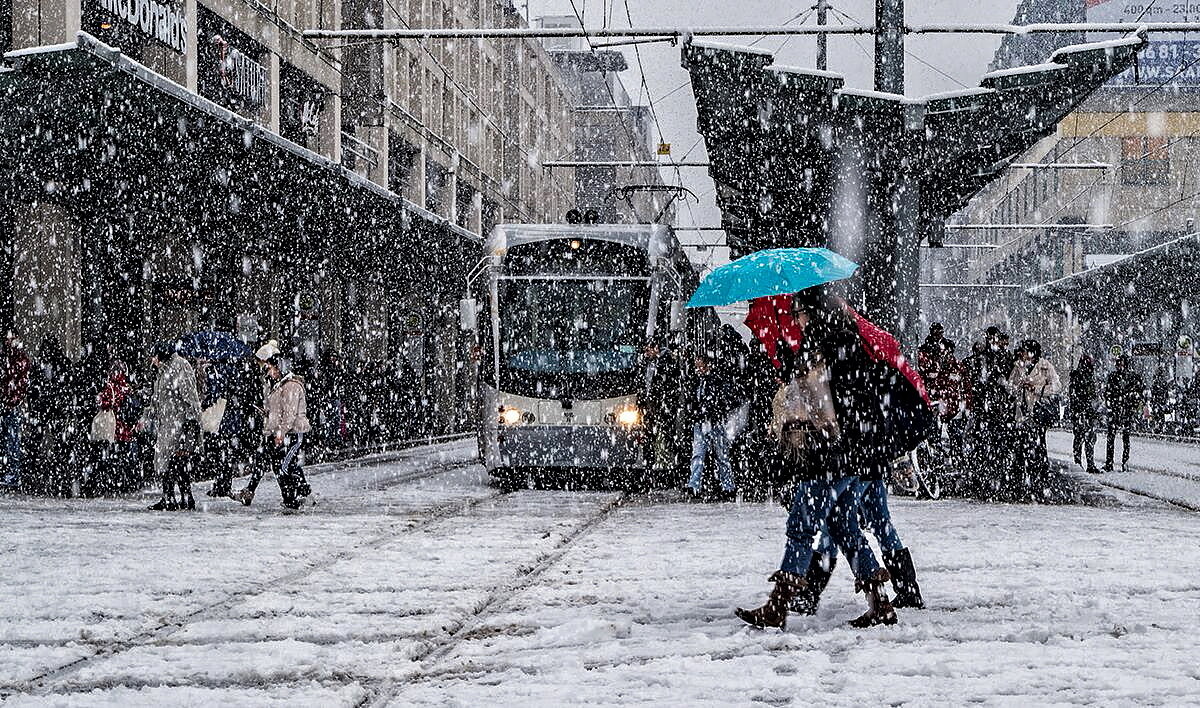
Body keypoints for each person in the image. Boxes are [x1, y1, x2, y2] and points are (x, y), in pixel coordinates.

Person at [736, 288, 933, 630]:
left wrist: (793, 362)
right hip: (855, 456)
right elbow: (854, 400)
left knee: (801, 525)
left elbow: (818, 401)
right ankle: (880, 603)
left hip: (828, 454)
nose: (796, 320)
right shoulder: (851, 342)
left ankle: (778, 605)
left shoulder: (820, 347)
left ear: (810, 313)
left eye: (798, 313)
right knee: (846, 527)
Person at [235, 342, 313, 510]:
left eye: (269, 368)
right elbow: (277, 411)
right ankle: (292, 497)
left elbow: (289, 414)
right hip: (278, 431)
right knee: (279, 465)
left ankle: (300, 494)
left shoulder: (290, 385)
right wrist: (265, 413)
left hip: (291, 433)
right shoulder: (277, 386)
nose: (268, 372)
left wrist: (281, 433)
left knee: (284, 466)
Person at [141, 341, 202, 511]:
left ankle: (176, 498)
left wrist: (190, 426)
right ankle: (177, 497)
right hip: (168, 424)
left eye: (154, 356)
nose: (152, 360)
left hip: (178, 424)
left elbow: (190, 398)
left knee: (175, 461)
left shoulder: (179, 367)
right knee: (172, 462)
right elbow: (158, 398)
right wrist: (148, 416)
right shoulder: (164, 371)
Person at [1007, 340, 1062, 492]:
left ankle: (1039, 483)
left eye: (1026, 351)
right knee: (1021, 450)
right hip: (1022, 414)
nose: (1023, 354)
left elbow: (1057, 386)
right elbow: (1010, 387)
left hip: (1037, 414)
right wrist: (1017, 387)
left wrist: (1037, 389)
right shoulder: (1019, 366)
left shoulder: (1045, 366)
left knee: (1038, 449)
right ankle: (1020, 483)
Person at [684, 353, 739, 501]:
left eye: (701, 366)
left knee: (719, 455)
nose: (699, 369)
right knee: (700, 454)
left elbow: (725, 399)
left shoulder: (716, 380)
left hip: (713, 421)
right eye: (697, 367)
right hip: (703, 421)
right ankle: (696, 485)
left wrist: (711, 409)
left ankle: (726, 486)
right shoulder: (698, 381)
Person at [641, 337, 683, 478]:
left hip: (662, 405)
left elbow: (669, 384)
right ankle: (649, 468)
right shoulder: (649, 362)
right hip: (652, 405)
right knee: (650, 437)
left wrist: (662, 400)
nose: (646, 353)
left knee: (667, 435)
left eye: (648, 350)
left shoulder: (666, 361)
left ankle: (674, 469)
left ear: (656, 348)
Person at [1, 333, 32, 490]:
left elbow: (19, 382)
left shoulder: (16, 358)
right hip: (9, 403)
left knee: (12, 440)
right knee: (10, 439)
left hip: (12, 405)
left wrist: (12, 400)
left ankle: (13, 472)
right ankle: (11, 471)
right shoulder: (11, 357)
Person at [1104, 356, 1144, 473]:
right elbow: (1108, 392)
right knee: (1112, 437)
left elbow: (1138, 392)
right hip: (1117, 410)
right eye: (1119, 364)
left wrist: (1131, 404)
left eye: (1122, 364)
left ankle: (1124, 462)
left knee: (1125, 438)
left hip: (1125, 410)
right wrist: (1111, 404)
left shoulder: (1132, 377)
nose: (1120, 367)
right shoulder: (1114, 377)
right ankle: (1110, 463)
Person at [1068, 355, 1100, 474]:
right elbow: (1074, 396)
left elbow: (1093, 395)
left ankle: (1088, 464)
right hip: (1081, 411)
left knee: (1088, 438)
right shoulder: (1077, 376)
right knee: (1080, 438)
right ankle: (1079, 464)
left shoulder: (1088, 377)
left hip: (1087, 412)